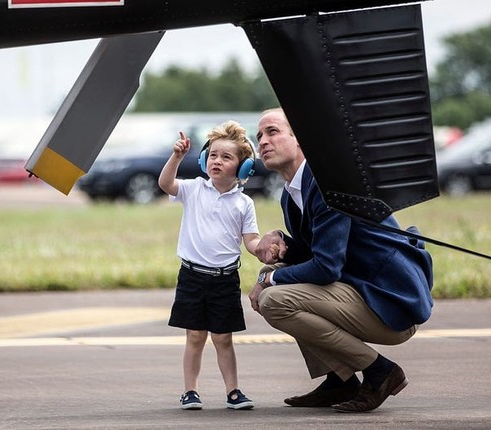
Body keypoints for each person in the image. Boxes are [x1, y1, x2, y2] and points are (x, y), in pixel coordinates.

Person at [248, 108, 434, 413]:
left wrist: (268, 280)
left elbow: (326, 268)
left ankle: (379, 371)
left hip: (389, 302)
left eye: (272, 132)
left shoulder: (327, 185)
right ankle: (340, 380)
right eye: (259, 136)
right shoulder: (291, 193)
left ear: (301, 140)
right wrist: (283, 247)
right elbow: (317, 252)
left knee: (274, 299)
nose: (263, 142)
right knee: (275, 275)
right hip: (358, 292)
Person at [158, 120, 259, 411]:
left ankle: (233, 392)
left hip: (225, 280)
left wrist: (264, 250)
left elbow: (250, 241)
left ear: (242, 168)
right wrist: (176, 157)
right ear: (204, 160)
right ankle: (190, 391)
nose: (217, 161)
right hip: (192, 276)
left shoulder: (244, 204)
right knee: (195, 336)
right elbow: (166, 184)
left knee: (223, 338)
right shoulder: (193, 189)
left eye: (226, 157)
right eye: (213, 155)